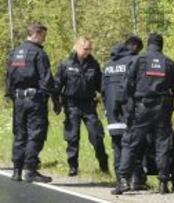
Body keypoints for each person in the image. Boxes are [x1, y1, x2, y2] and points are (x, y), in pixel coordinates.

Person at [115, 33, 174, 194]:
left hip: (142, 108)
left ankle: (123, 181)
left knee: (130, 143)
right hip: (163, 109)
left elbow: (125, 86)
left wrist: (121, 107)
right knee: (162, 144)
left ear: (148, 45)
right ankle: (163, 182)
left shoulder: (138, 61)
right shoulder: (169, 63)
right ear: (161, 46)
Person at [5, 22, 58, 183]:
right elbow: (46, 79)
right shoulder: (38, 54)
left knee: (20, 134)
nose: (44, 40)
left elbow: (9, 77)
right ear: (37, 34)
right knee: (36, 133)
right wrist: (52, 98)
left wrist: (12, 96)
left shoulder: (15, 53)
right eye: (43, 36)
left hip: (19, 100)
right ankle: (30, 169)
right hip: (35, 100)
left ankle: (16, 170)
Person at [54, 37, 108, 176]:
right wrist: (56, 103)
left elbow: (101, 86)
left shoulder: (93, 64)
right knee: (72, 137)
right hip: (71, 105)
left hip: (88, 106)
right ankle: (73, 166)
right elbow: (57, 85)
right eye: (85, 49)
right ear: (77, 47)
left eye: (90, 49)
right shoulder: (66, 64)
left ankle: (104, 167)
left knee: (97, 136)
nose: (88, 52)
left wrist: (108, 100)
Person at [102, 36, 147, 194]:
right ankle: (136, 180)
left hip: (112, 113)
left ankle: (120, 181)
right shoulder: (134, 61)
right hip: (130, 110)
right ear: (133, 46)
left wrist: (107, 108)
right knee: (133, 146)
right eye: (139, 48)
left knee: (117, 146)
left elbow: (103, 90)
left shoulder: (108, 66)